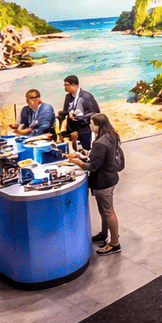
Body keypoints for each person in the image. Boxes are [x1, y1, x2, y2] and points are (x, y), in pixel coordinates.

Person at [64, 113, 124, 254]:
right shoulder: (112, 135)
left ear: (98, 125)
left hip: (103, 183)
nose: (89, 125)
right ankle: (104, 234)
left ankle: (115, 243)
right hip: (111, 177)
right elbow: (101, 157)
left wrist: (78, 162)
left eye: (91, 123)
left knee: (108, 211)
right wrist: (87, 153)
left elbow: (93, 166)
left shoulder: (99, 142)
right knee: (104, 210)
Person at [59, 75, 99, 151]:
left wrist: (79, 118)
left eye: (67, 85)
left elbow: (95, 113)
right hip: (72, 128)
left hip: (85, 128)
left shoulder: (86, 96)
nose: (65, 87)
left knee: (86, 150)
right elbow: (65, 111)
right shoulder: (68, 97)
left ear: (74, 84)